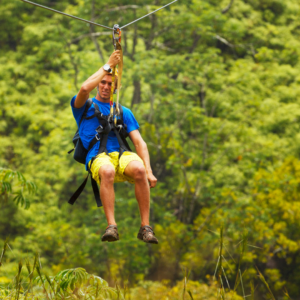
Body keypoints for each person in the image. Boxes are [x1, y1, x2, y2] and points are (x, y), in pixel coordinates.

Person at [71, 50, 159, 244]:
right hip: (98, 156)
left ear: (115, 89)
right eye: (103, 82)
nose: (105, 86)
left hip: (121, 154)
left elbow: (139, 142)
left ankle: (145, 227)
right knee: (108, 170)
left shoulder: (122, 111)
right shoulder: (83, 107)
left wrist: (149, 171)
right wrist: (108, 65)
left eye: (110, 84)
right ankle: (111, 226)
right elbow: (85, 87)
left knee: (139, 169)